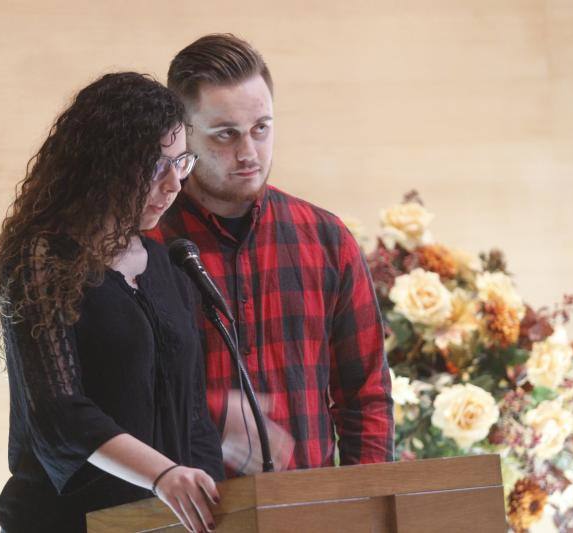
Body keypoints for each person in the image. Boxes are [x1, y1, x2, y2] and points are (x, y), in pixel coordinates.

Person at [0, 72, 224, 533]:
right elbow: (60, 414)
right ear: (103, 164)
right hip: (67, 521)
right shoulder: (42, 261)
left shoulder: (167, 266)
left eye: (180, 163)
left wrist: (212, 504)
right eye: (154, 166)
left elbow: (192, 416)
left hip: (156, 522)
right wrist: (163, 476)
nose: (173, 184)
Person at [146, 34, 394, 476]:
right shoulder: (145, 246)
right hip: (183, 513)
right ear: (182, 134)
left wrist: (368, 506)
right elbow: (115, 406)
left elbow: (366, 397)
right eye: (225, 135)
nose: (248, 153)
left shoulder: (327, 239)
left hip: (311, 512)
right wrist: (213, 419)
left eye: (261, 128)